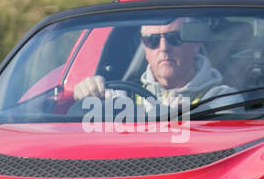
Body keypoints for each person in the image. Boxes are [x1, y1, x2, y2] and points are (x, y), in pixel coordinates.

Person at [72, 17, 234, 111]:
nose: (164, 48)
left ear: (195, 44)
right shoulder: (124, 94)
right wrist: (85, 90)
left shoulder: (221, 97)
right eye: (152, 40)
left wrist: (186, 118)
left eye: (174, 38)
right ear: (145, 50)